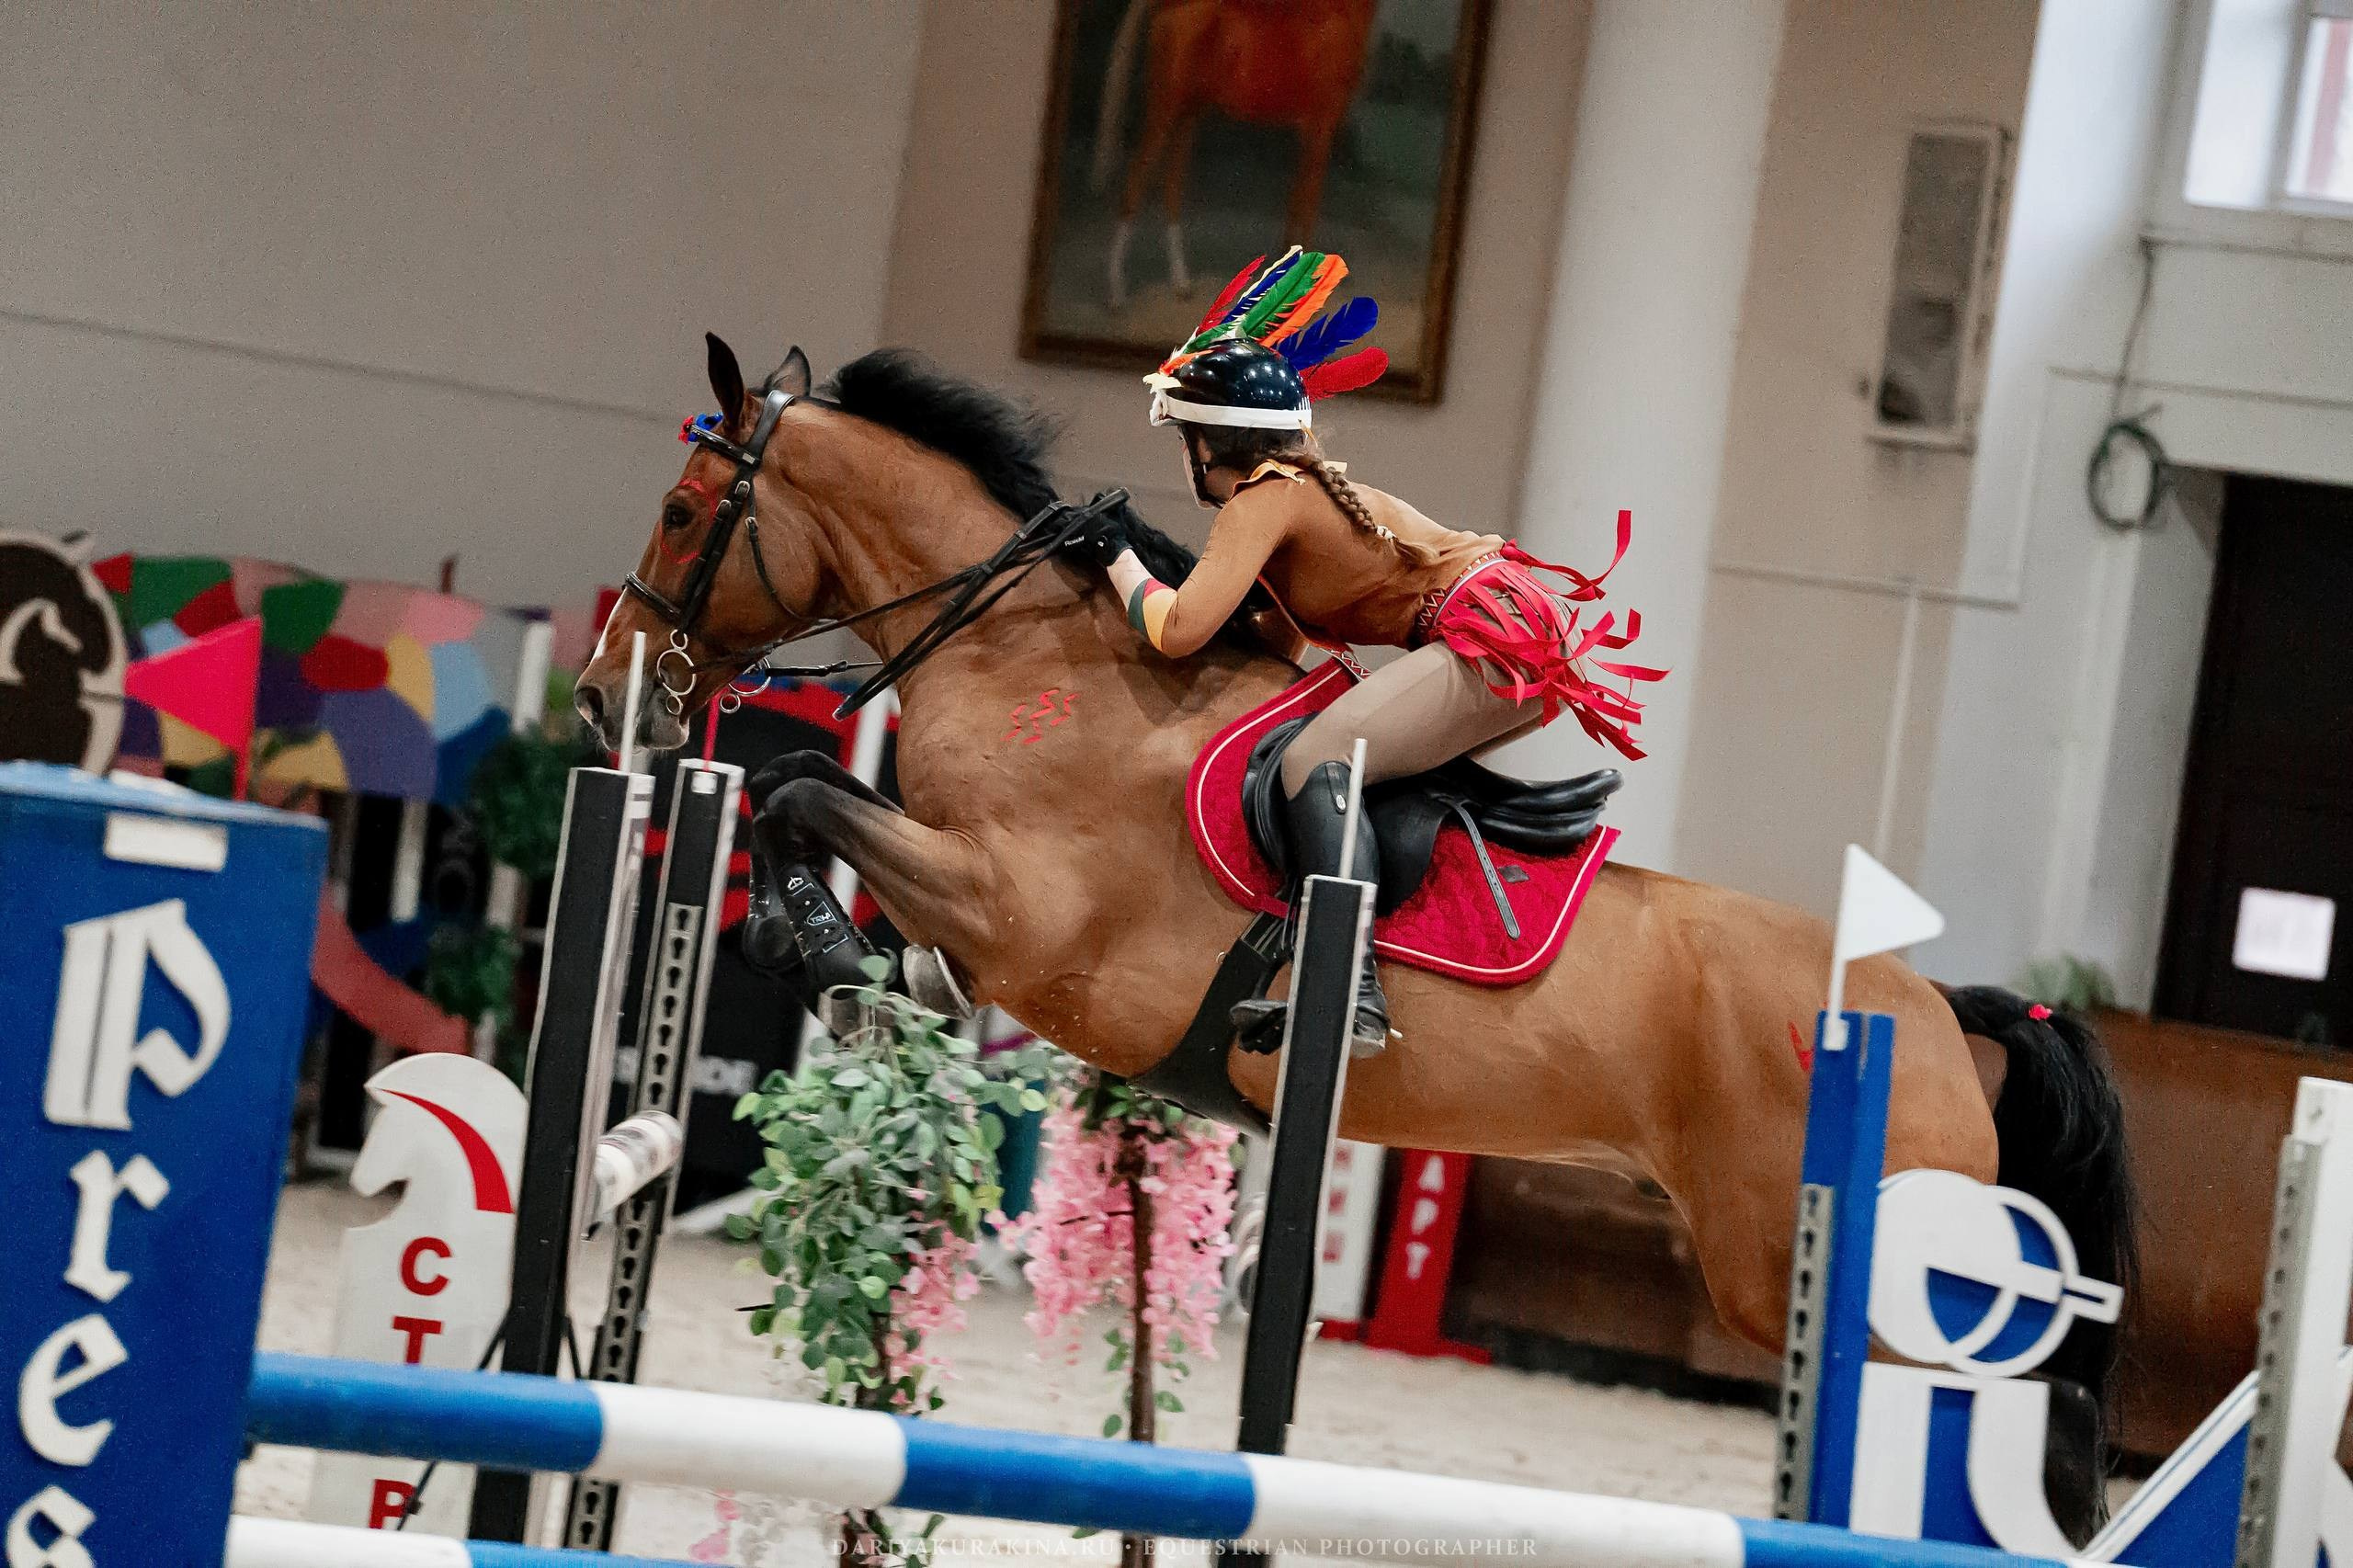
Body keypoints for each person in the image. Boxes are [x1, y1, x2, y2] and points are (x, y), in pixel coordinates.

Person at [1080, 249, 1663, 1057]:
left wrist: (1114, 553)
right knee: (1345, 759)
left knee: (1315, 760)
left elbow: (1178, 627)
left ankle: (1345, 984)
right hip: (1513, 630)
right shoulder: (1294, 494)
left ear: (1209, 447)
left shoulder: (1264, 495)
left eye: (1185, 437)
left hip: (1495, 634)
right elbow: (1273, 646)